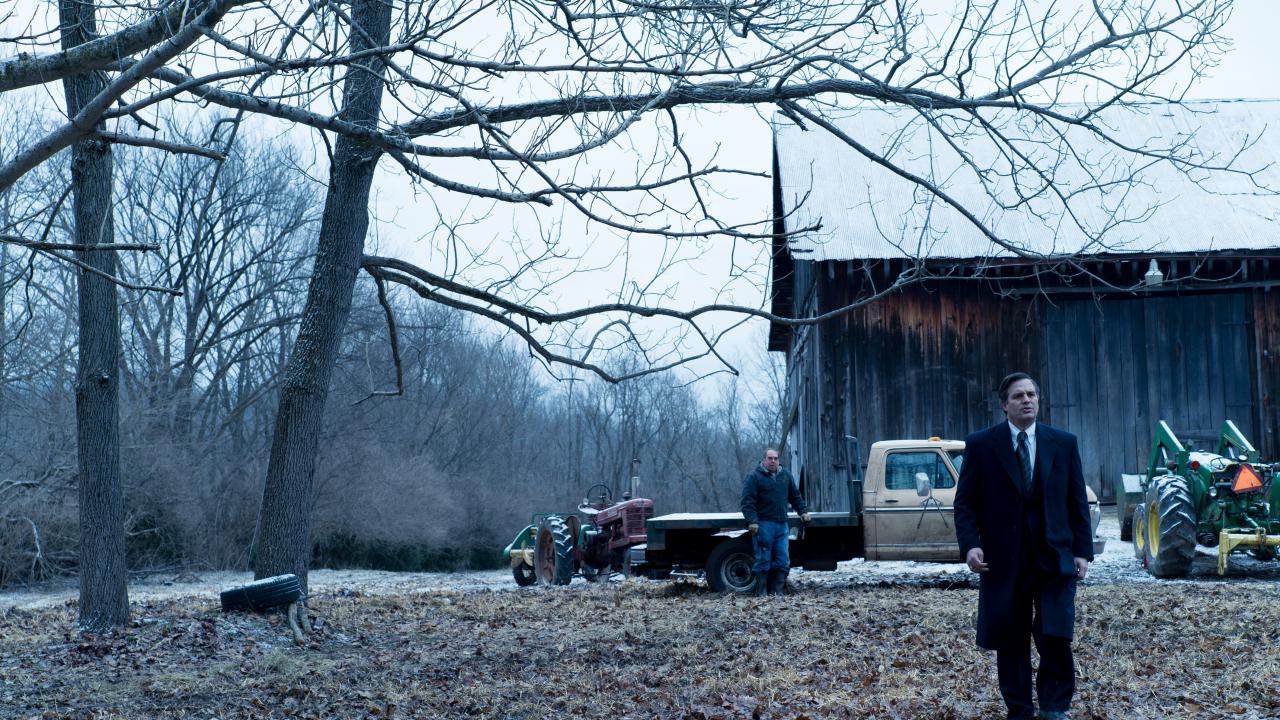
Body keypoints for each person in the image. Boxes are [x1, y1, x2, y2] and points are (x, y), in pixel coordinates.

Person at [954, 372, 1093, 720]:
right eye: (1018, 396)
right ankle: (1019, 709)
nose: (1027, 400)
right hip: (1004, 561)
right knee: (1011, 637)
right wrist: (971, 546)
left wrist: (1081, 550)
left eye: (1031, 394)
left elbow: (1077, 501)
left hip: (1054, 558)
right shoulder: (983, 445)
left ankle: (1054, 706)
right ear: (1004, 405)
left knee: (1055, 635)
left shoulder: (1063, 443)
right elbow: (966, 503)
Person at [740, 448, 810, 596]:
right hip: (763, 525)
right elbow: (747, 502)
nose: (773, 461)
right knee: (763, 559)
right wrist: (752, 521)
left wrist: (802, 511)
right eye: (770, 458)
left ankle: (778, 591)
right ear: (764, 460)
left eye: (775, 458)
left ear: (778, 460)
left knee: (782, 558)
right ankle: (762, 592)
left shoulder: (785, 476)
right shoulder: (754, 477)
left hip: (782, 525)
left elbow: (795, 496)